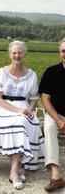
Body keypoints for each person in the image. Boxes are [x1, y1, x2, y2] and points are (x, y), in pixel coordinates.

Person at [0, 40, 45, 190]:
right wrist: (19, 111)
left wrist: (29, 110)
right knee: (12, 124)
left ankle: (14, 171)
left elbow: (34, 99)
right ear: (10, 54)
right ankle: (17, 170)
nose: (17, 55)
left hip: (23, 107)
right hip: (3, 107)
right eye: (14, 53)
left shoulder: (31, 75)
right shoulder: (1, 73)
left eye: (20, 53)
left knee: (21, 123)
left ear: (25, 54)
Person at [39, 38, 65, 192]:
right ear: (59, 53)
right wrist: (58, 120)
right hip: (55, 114)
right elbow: (44, 98)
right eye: (64, 51)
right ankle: (56, 176)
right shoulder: (51, 72)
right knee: (48, 128)